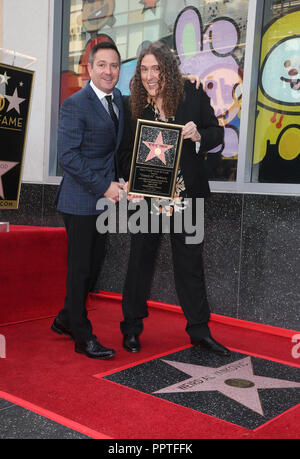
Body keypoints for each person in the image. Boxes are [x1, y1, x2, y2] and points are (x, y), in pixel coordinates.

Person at [119, 41, 230, 357]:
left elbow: (217, 134)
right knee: (139, 263)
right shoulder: (134, 107)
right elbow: (124, 154)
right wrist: (137, 171)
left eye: (155, 68)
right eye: (144, 69)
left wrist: (198, 136)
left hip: (187, 199)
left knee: (190, 265)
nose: (150, 75)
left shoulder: (191, 95)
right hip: (147, 199)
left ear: (167, 68)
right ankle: (131, 329)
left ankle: (199, 332)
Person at [51, 42, 125, 359]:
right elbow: (67, 156)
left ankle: (67, 318)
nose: (109, 71)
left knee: (93, 268)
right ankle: (82, 336)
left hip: (104, 200)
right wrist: (103, 186)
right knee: (81, 269)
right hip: (80, 200)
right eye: (103, 65)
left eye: (115, 65)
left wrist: (121, 182)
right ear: (90, 69)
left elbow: (115, 149)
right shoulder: (75, 104)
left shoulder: (119, 100)